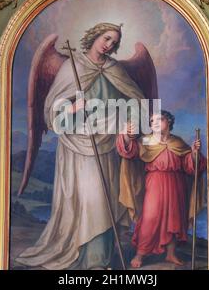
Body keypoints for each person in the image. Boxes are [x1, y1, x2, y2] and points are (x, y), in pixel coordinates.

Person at [15, 23, 146, 270]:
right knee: (89, 199)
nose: (109, 45)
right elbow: (51, 112)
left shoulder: (115, 68)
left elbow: (135, 101)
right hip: (78, 146)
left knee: (106, 200)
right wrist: (72, 108)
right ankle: (81, 257)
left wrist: (130, 124)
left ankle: (101, 260)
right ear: (95, 35)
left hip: (108, 145)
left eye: (114, 43)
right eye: (106, 38)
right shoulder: (72, 67)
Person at [116, 110, 206, 268]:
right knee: (150, 218)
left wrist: (193, 154)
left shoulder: (178, 143)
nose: (155, 123)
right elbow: (130, 151)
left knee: (174, 219)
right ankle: (140, 254)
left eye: (160, 119)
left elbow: (190, 167)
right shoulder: (146, 141)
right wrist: (125, 136)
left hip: (176, 184)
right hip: (155, 183)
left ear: (169, 122)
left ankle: (170, 254)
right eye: (152, 121)